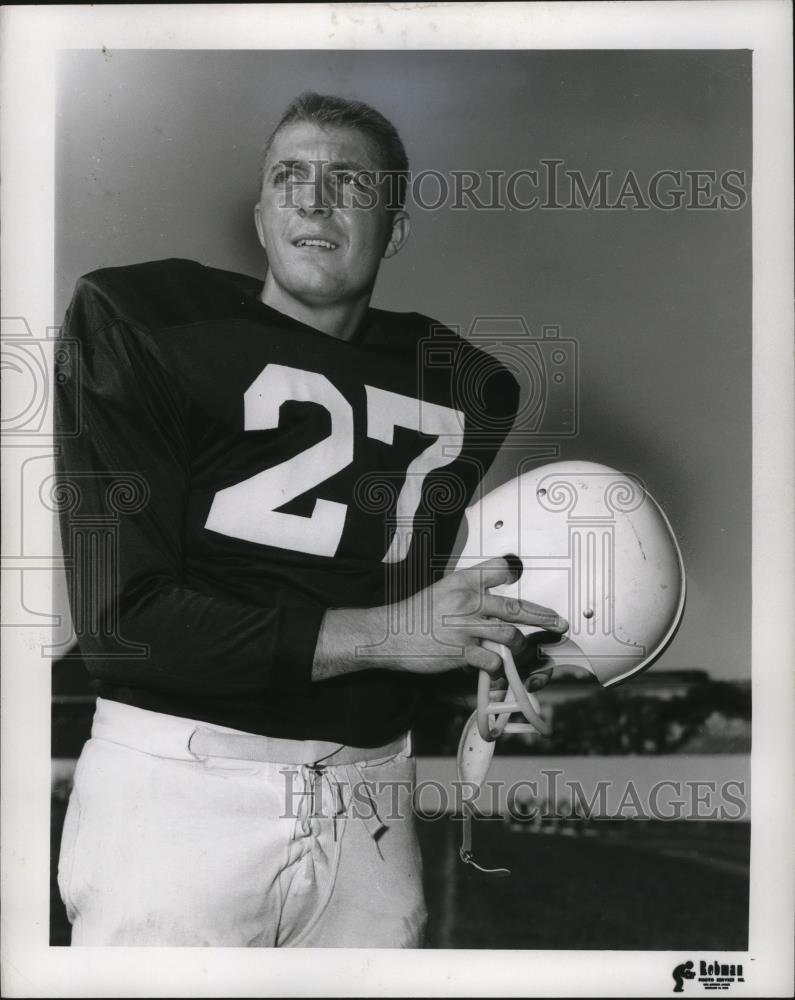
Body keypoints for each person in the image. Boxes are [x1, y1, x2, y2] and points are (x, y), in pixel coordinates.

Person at [55, 91, 567, 947]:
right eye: (288, 177)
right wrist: (388, 634)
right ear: (260, 217)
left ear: (395, 229)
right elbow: (124, 625)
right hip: (182, 794)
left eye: (349, 184)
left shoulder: (458, 384)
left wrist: (502, 637)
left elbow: (409, 611)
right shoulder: (146, 325)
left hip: (372, 792)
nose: (312, 199)